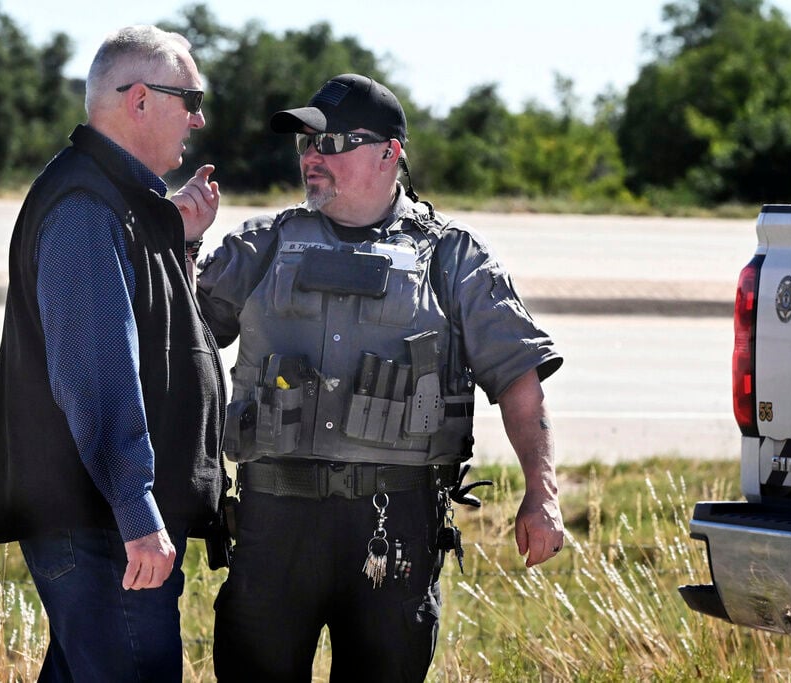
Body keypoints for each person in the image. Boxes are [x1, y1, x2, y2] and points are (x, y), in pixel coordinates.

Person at [197, 73, 565, 681]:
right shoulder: (261, 246)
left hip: (393, 528)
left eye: (331, 143)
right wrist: (184, 242)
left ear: (390, 152)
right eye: (305, 145)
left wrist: (542, 494)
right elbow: (179, 339)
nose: (313, 158)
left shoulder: (452, 258)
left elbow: (520, 381)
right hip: (274, 524)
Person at [0, 25, 224, 682]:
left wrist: (179, 240)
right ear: (139, 100)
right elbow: (95, 373)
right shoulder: (85, 206)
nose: (199, 117)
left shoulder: (123, 202)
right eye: (190, 98)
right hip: (100, 522)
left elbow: (161, 334)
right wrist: (137, 509)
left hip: (99, 517)